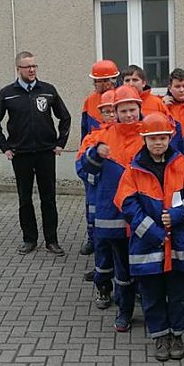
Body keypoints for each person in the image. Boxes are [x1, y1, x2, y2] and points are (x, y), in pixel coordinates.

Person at [116, 113, 184, 361]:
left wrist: (177, 215)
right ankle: (160, 337)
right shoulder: (134, 168)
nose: (158, 143)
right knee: (152, 295)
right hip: (148, 245)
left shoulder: (181, 163)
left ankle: (177, 335)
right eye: (153, 138)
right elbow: (126, 203)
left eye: (162, 138)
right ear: (144, 139)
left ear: (170, 137)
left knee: (177, 294)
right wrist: (152, 232)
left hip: (178, 245)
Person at [0, 51, 71, 256]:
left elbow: (65, 118)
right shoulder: (8, 93)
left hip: (45, 153)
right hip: (21, 154)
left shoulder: (48, 90)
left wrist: (60, 143)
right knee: (25, 199)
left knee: (48, 198)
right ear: (18, 69)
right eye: (27, 67)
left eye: (34, 66)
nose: (32, 70)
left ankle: (52, 240)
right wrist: (5, 147)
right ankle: (29, 240)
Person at [78, 85, 145, 332]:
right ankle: (124, 312)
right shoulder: (101, 137)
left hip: (143, 215)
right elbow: (83, 171)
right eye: (123, 110)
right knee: (123, 270)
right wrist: (95, 155)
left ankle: (150, 310)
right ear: (115, 112)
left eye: (132, 109)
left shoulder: (151, 134)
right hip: (115, 217)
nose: (129, 115)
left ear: (140, 109)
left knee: (147, 268)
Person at [78, 60, 119, 256]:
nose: (95, 85)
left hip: (113, 155)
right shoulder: (90, 101)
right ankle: (92, 238)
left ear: (109, 80)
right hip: (94, 152)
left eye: (98, 81)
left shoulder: (122, 96)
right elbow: (84, 130)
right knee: (91, 203)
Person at [77, 89, 116, 286]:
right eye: (106, 111)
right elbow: (80, 167)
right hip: (99, 200)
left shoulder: (131, 136)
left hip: (121, 204)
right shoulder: (92, 138)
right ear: (100, 114)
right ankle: (103, 287)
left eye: (113, 110)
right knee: (102, 246)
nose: (111, 115)